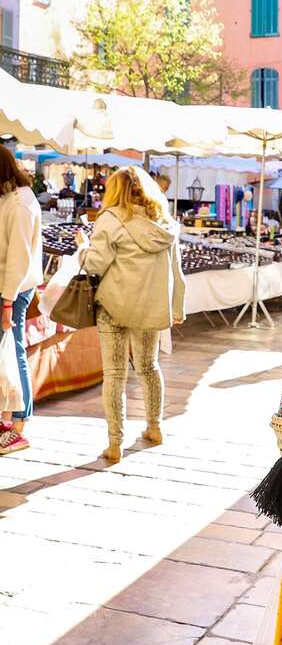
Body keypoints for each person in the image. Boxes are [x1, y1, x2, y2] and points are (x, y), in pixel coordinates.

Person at [75, 166, 186, 463]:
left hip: (113, 305)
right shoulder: (165, 223)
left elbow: (95, 265)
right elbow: (177, 272)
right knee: (149, 367)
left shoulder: (109, 219)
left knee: (114, 374)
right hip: (150, 307)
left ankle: (115, 444)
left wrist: (83, 248)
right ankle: (155, 427)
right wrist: (177, 307)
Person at [0, 145, 43, 454]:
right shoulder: (12, 199)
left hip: (13, 288)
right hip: (9, 286)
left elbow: (18, 258)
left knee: (13, 350)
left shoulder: (20, 203)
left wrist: (6, 301)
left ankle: (18, 421)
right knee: (8, 351)